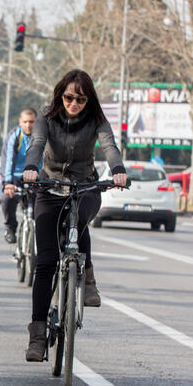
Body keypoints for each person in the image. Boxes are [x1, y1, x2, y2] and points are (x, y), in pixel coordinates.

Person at [21, 69, 127, 362]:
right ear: (60, 95)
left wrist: (117, 170)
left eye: (80, 98)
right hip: (49, 188)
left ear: (88, 99)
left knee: (80, 219)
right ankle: (38, 335)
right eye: (68, 97)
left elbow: (109, 148)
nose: (74, 103)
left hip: (84, 187)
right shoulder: (46, 117)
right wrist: (31, 168)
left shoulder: (97, 121)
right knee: (45, 263)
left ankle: (88, 277)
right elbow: (37, 145)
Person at [0, 108, 37, 243]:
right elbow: (8, 159)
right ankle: (10, 228)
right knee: (7, 199)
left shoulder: (41, 136)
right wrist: (8, 182)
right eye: (25, 122)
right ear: (20, 122)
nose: (28, 125)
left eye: (32, 122)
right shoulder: (14, 135)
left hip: (36, 177)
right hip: (15, 177)